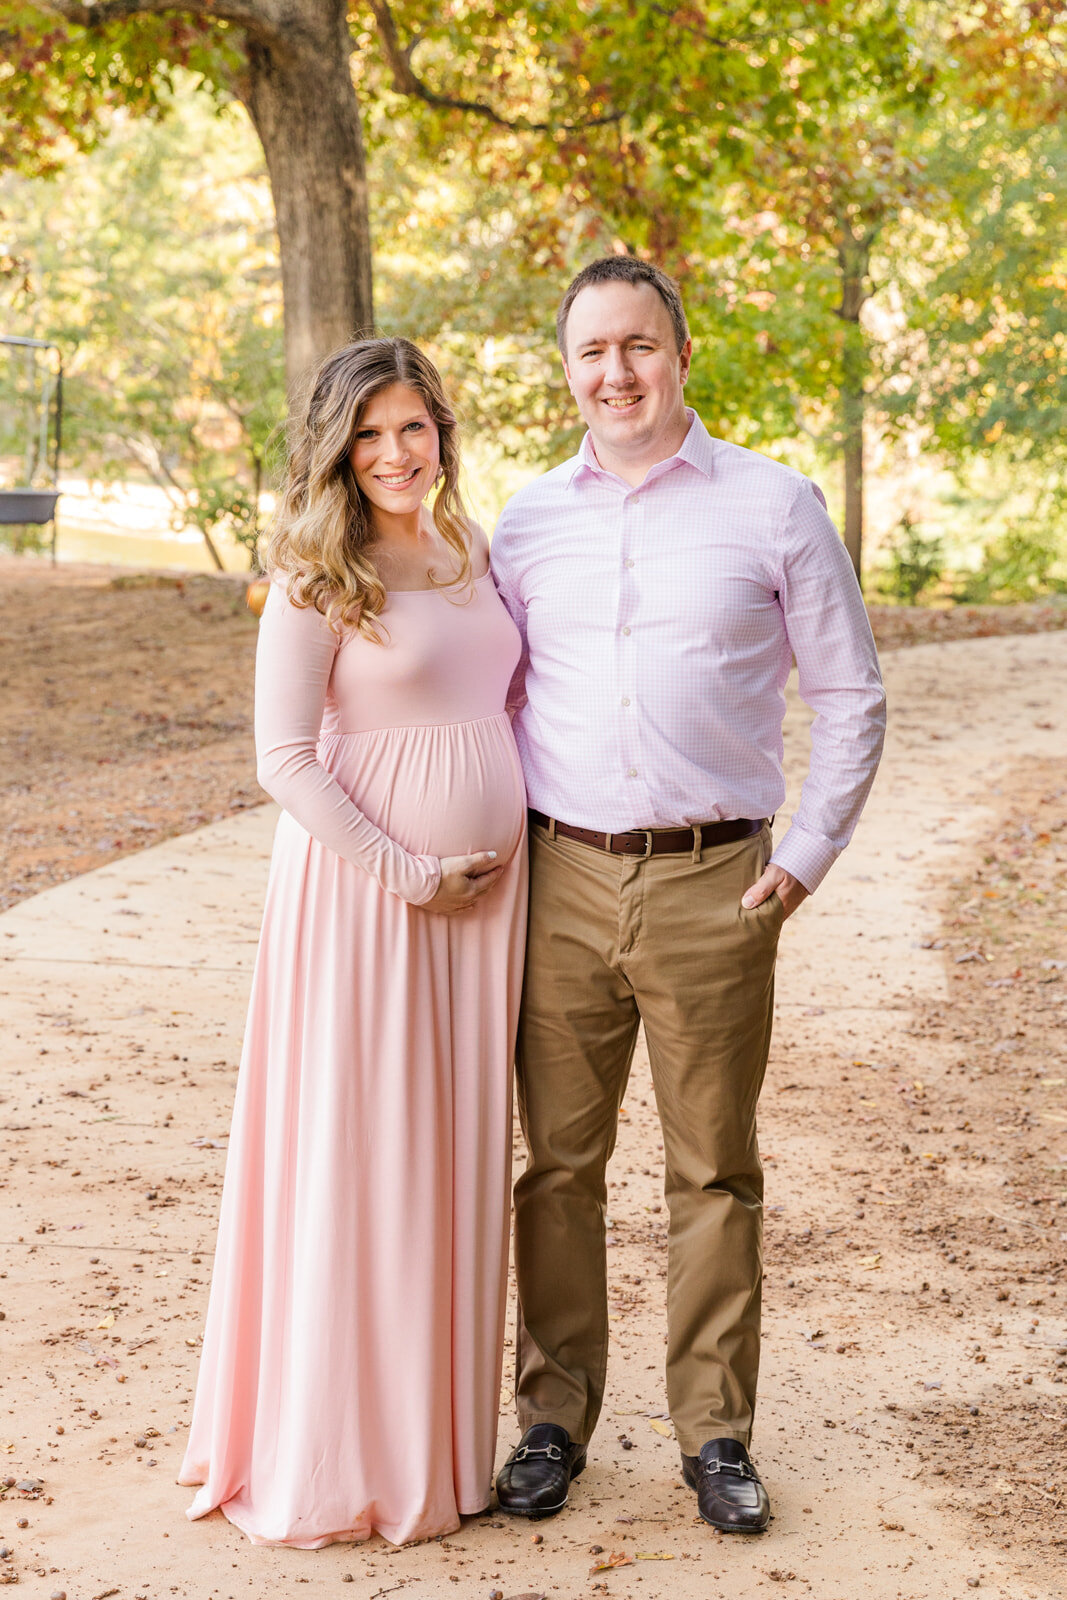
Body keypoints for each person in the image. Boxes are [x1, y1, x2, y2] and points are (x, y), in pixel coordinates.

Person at [490, 257, 886, 1534]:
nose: (615, 373)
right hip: (555, 875)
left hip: (717, 879)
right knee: (556, 1164)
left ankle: (714, 1432)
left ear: (679, 354)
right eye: (591, 352)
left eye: (638, 347)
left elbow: (849, 695)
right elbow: (492, 698)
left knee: (712, 1168)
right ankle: (552, 1418)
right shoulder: (524, 520)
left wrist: (806, 853)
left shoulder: (773, 506)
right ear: (567, 369)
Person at [179, 338, 527, 1548]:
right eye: (369, 434)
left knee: (451, 1157)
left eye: (412, 427)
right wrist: (407, 871)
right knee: (362, 1158)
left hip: (483, 916)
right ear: (338, 446)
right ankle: (336, 1454)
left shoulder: (474, 553)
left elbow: (502, 706)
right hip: (366, 904)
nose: (393, 453)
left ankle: (432, 1443)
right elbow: (281, 761)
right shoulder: (317, 573)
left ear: (441, 430)